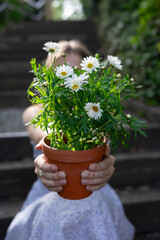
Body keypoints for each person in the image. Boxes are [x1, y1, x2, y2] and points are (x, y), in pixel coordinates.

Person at [5, 40, 135, 240]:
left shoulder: (98, 113)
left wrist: (107, 162)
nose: (69, 78)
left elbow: (103, 137)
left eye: (76, 71)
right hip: (49, 191)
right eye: (61, 72)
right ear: (48, 76)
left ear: (89, 76)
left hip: (94, 188)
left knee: (89, 203)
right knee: (58, 209)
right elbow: (43, 130)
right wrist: (51, 147)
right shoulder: (35, 112)